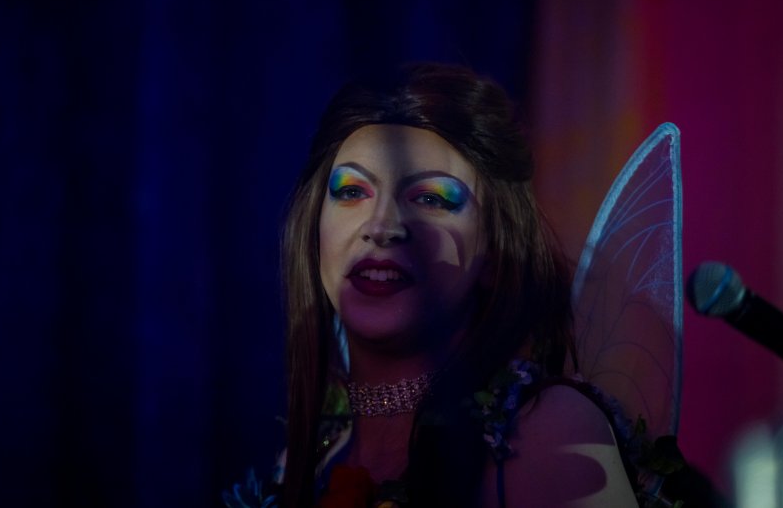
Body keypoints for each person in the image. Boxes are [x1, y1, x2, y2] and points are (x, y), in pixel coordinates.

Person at [236, 64, 642, 508]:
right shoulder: (303, 463)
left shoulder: (545, 430)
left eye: (430, 198)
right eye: (351, 191)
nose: (381, 227)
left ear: (495, 251)